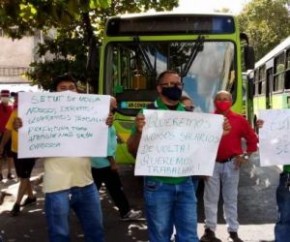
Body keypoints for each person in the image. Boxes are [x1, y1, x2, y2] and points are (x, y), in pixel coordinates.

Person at [14, 74, 111, 242]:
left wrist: (105, 122)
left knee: (96, 233)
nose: (68, 92)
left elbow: (100, 139)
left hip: (87, 185)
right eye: (63, 88)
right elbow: (32, 142)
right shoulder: (44, 117)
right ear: (54, 93)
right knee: (59, 236)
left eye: (72, 88)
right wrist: (21, 128)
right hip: (56, 187)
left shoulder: (88, 115)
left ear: (78, 92)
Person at [127, 70, 200, 242]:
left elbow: (200, 146)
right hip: (157, 184)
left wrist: (222, 133)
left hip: (186, 183)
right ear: (160, 89)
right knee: (160, 236)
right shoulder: (146, 114)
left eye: (178, 84)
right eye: (171, 84)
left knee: (189, 236)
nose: (176, 87)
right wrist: (139, 132)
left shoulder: (190, 115)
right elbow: (132, 148)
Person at [200, 90, 258, 242]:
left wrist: (245, 155)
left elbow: (253, 140)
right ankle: (209, 230)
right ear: (214, 102)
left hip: (232, 164)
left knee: (230, 199)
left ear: (231, 101)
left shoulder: (239, 120)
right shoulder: (207, 120)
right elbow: (199, 144)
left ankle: (233, 231)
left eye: (225, 99)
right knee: (210, 199)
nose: (222, 101)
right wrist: (202, 164)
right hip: (211, 164)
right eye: (219, 99)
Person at [91, 96, 142, 221]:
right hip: (105, 163)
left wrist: (117, 137)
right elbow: (105, 144)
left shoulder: (104, 119)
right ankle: (125, 212)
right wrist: (112, 162)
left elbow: (109, 136)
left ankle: (84, 211)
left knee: (94, 190)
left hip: (97, 162)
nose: (116, 106)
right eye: (114, 104)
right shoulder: (105, 121)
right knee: (116, 189)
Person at [0, 92, 37, 216]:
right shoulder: (15, 112)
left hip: (30, 150)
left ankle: (16, 204)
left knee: (25, 176)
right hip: (16, 150)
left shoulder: (37, 114)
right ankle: (31, 197)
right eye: (16, 98)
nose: (16, 100)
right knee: (23, 176)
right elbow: (8, 130)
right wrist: (2, 145)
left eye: (19, 98)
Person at [256, 119, 290, 242]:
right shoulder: (285, 122)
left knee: (286, 216)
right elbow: (272, 145)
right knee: (286, 215)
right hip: (289, 177)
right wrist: (265, 129)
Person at [0, 89, 14, 181]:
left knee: (10, 155)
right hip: (0, 134)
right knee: (0, 155)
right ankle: (0, 173)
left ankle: (9, 173)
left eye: (6, 96)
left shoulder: (12, 107)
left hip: (10, 135)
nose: (5, 98)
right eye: (3, 96)